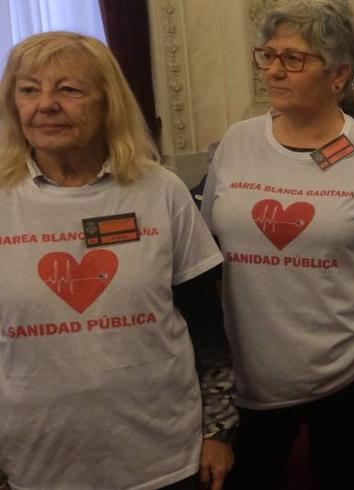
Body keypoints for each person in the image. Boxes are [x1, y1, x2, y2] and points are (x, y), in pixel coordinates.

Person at [201, 0, 354, 489]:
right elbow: (208, 255)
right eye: (268, 55)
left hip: (350, 369)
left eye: (293, 58)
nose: (273, 71)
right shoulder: (236, 144)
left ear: (338, 75)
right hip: (251, 375)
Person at [0, 32, 235, 490]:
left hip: (162, 455)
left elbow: (207, 326)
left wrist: (217, 429)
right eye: (29, 89)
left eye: (68, 89)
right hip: (36, 460)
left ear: (108, 103)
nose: (45, 104)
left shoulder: (159, 190)